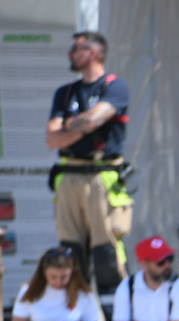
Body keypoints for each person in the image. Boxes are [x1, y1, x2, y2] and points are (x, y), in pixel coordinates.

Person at [45, 30, 133, 294]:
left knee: (106, 251)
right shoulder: (65, 92)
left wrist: (70, 126)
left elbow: (97, 118)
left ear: (93, 53)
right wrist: (84, 124)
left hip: (101, 176)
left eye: (76, 49)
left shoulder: (114, 85)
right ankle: (80, 318)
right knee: (71, 251)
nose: (71, 54)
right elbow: (52, 138)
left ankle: (113, 320)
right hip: (69, 173)